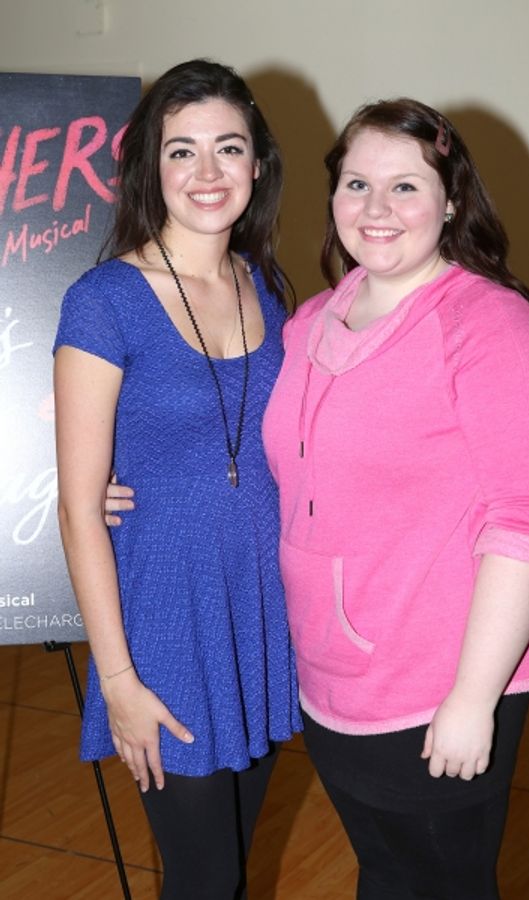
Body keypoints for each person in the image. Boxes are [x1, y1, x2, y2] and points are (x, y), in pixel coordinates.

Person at [261, 99, 529, 898]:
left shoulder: (492, 326)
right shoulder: (312, 320)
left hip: (438, 684)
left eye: (405, 186)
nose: (376, 208)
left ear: (450, 201)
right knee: (386, 873)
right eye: (357, 184)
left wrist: (472, 699)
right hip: (335, 674)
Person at [53, 59, 301, 900]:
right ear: (149, 169)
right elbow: (80, 510)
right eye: (181, 150)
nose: (207, 171)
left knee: (232, 868)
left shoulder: (267, 286)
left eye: (228, 147)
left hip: (259, 616)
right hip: (164, 623)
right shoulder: (104, 300)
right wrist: (118, 682)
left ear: (257, 164)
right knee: (203, 875)